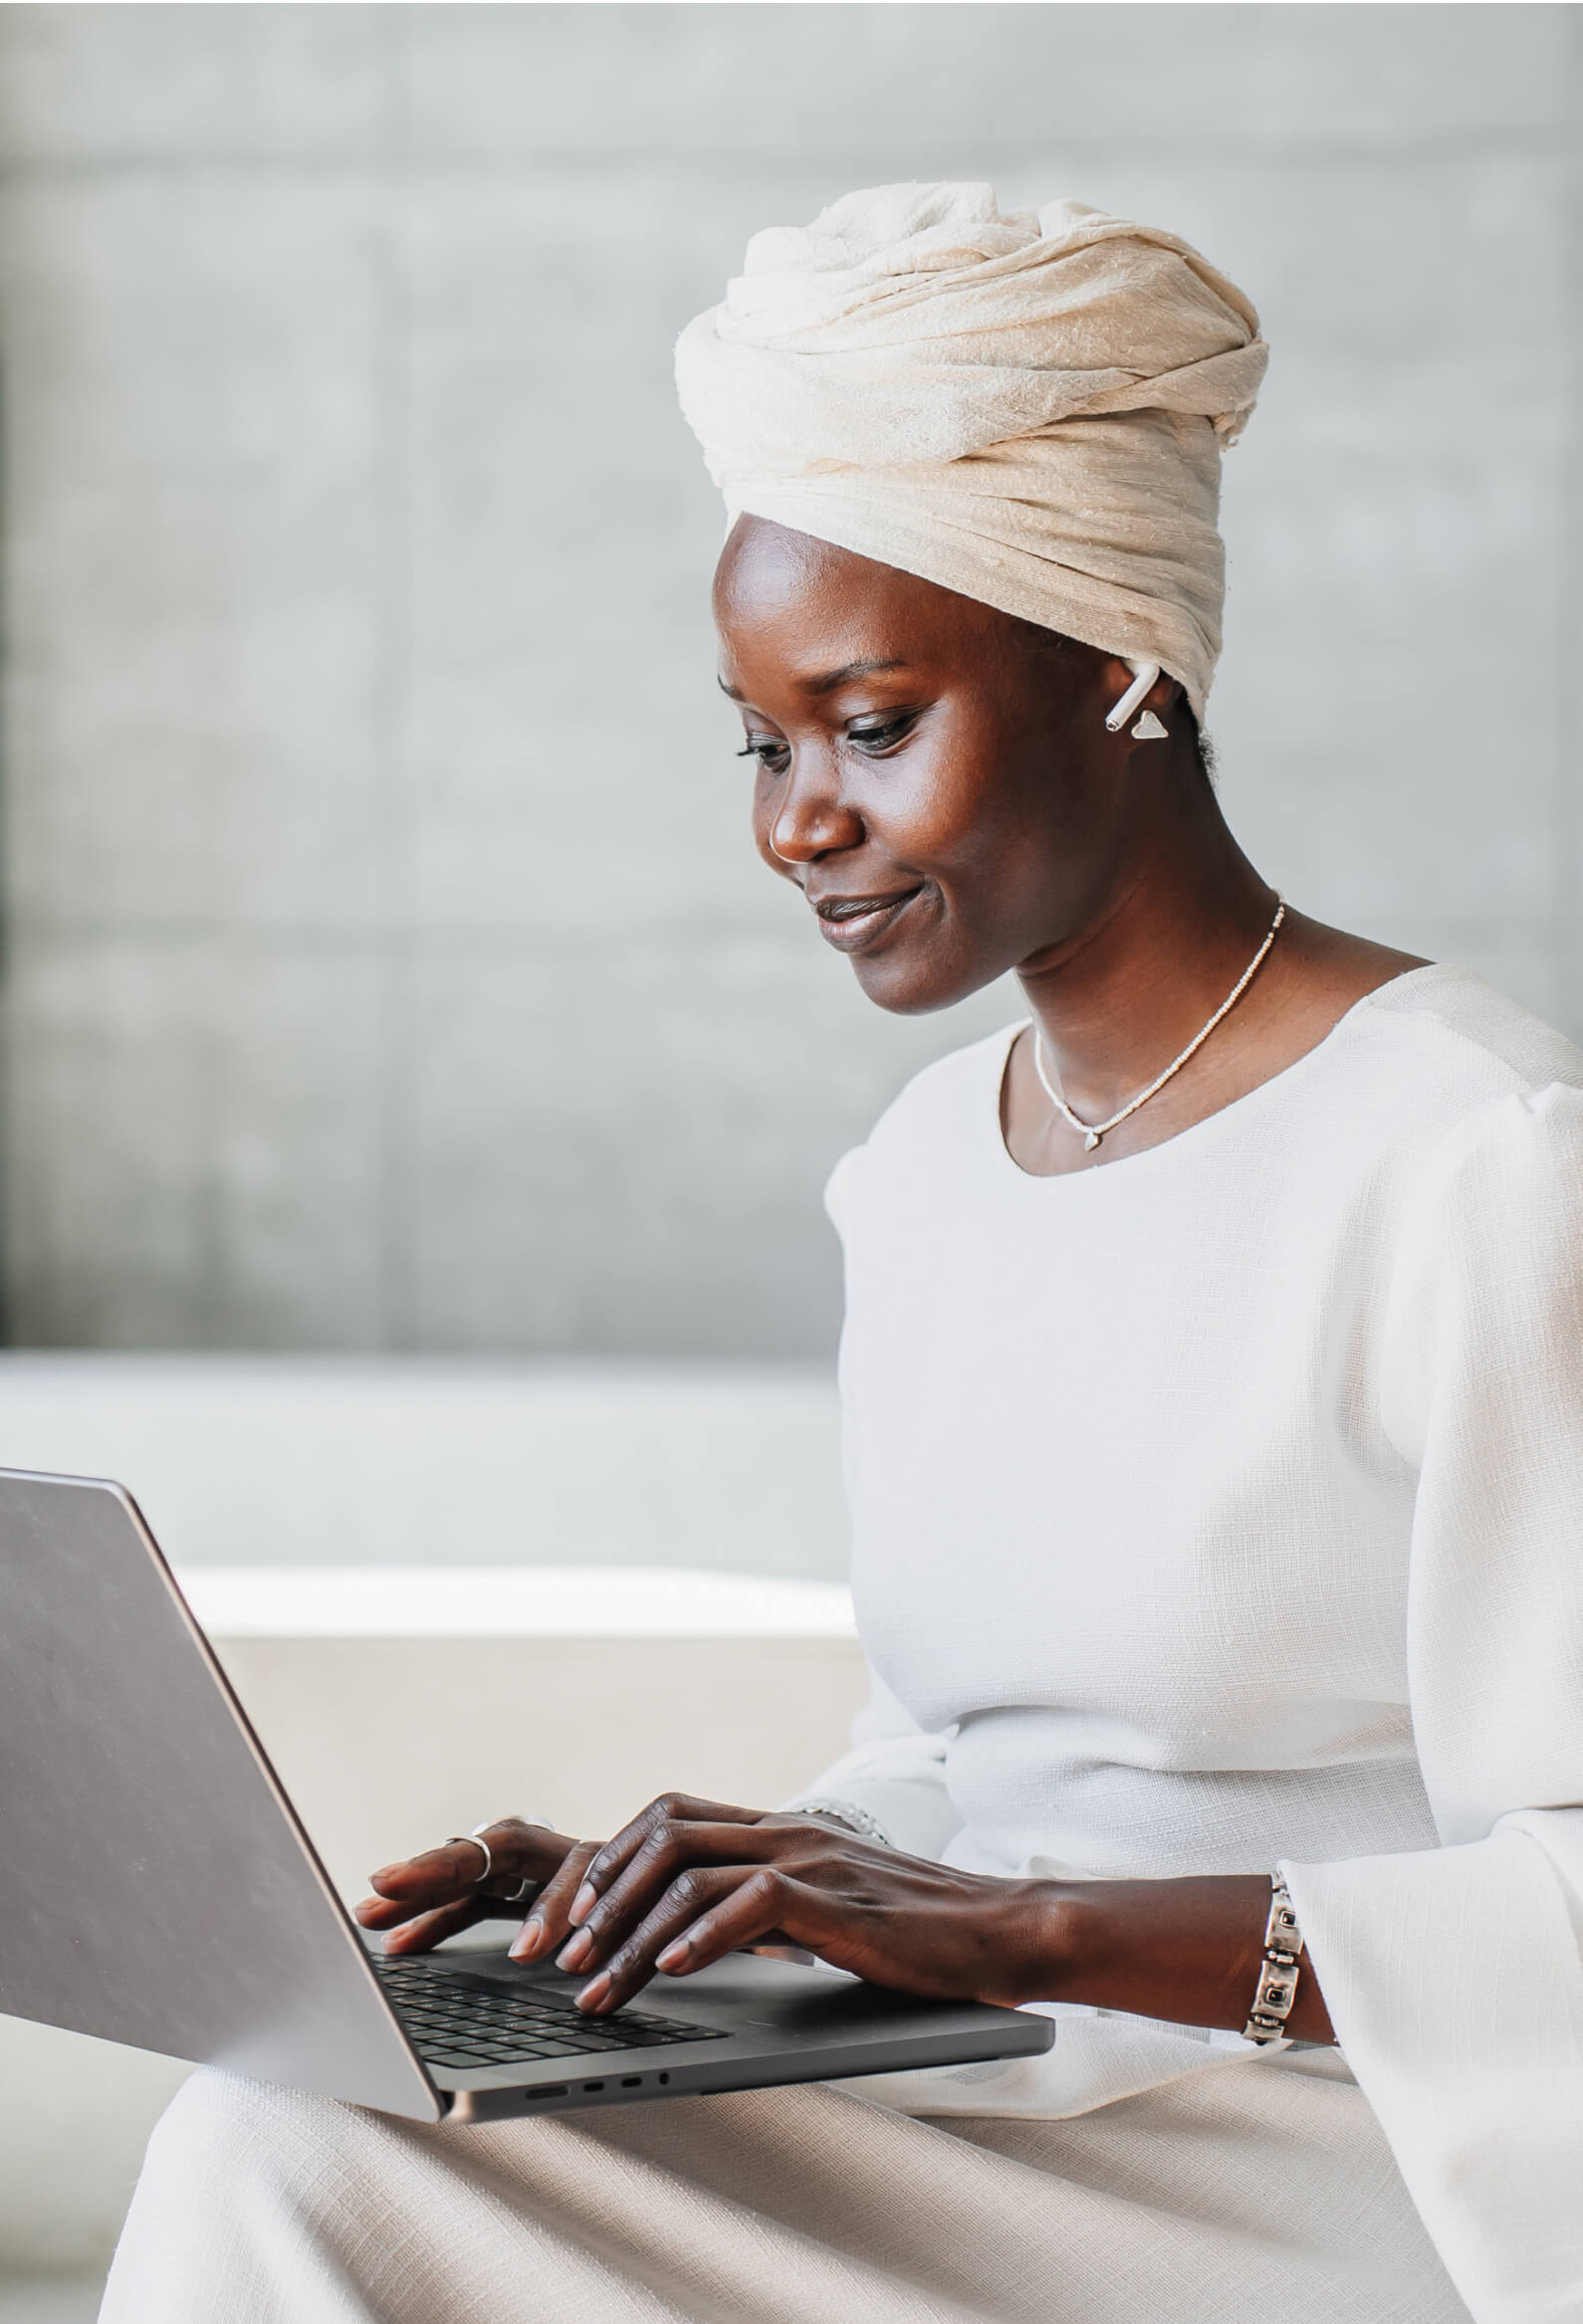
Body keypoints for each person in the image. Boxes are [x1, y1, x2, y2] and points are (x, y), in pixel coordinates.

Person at [100, 183, 1583, 2324]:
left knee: (306, 2168)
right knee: (304, 2133)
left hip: (1355, 2154)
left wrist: (1022, 1936)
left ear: (1124, 672)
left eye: (871, 723)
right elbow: (961, 1758)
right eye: (762, 738)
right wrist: (693, 1890)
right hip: (994, 2086)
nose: (796, 817)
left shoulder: (1477, 1159)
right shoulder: (920, 1173)